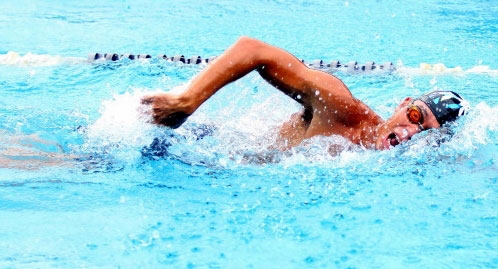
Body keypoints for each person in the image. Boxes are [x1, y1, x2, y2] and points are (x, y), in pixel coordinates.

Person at [141, 36, 468, 150]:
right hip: (194, 142)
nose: (411, 134)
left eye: (425, 135)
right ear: (404, 104)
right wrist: (186, 102)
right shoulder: (342, 107)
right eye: (415, 117)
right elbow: (253, 49)